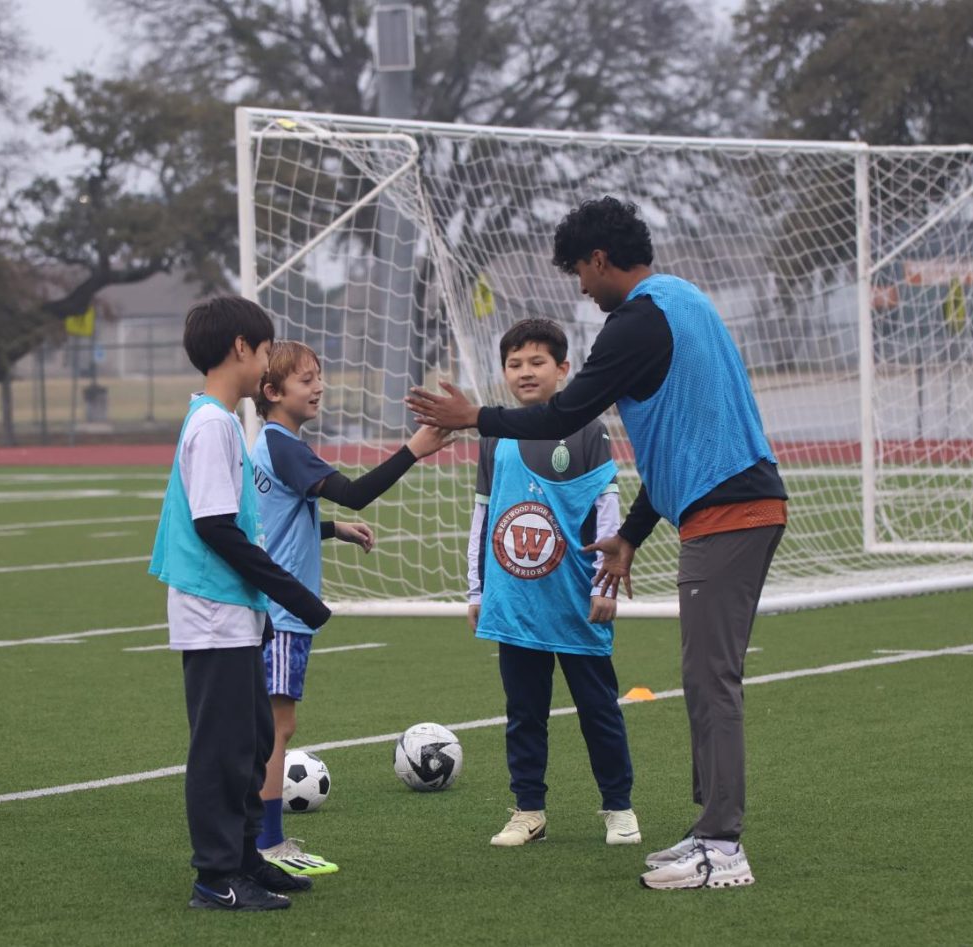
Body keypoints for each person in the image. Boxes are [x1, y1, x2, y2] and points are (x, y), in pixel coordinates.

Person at [407, 197, 787, 890]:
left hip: (730, 512)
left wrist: (475, 416)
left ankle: (723, 846)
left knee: (712, 681)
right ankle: (708, 832)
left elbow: (564, 411)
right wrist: (631, 536)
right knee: (706, 678)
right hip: (730, 506)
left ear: (600, 260)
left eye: (580, 272)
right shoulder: (682, 301)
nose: (580, 287)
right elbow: (679, 440)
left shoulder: (636, 320)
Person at [149, 296, 333, 911]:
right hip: (211, 612)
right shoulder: (210, 426)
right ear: (239, 350)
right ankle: (216, 877)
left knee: (253, 739)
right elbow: (214, 527)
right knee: (221, 751)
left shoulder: (225, 422)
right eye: (263, 351)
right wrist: (294, 593)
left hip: (237, 611)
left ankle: (246, 857)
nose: (267, 365)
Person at [250, 340, 452, 875]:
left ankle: (261, 838)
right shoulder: (284, 445)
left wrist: (330, 529)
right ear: (272, 392)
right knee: (276, 729)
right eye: (305, 380)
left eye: (319, 376)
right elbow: (355, 492)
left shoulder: (273, 445)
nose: (318, 386)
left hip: (273, 605)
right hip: (284, 610)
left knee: (269, 727)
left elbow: (273, 523)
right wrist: (414, 448)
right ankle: (268, 843)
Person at [467, 318, 639, 849]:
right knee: (524, 713)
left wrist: (602, 588)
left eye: (537, 362)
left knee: (599, 709)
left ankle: (618, 807)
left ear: (563, 369)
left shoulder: (588, 430)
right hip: (515, 602)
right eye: (514, 364)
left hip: (574, 602)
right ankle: (528, 810)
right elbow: (482, 513)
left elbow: (607, 512)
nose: (525, 372)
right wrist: (475, 589)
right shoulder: (495, 436)